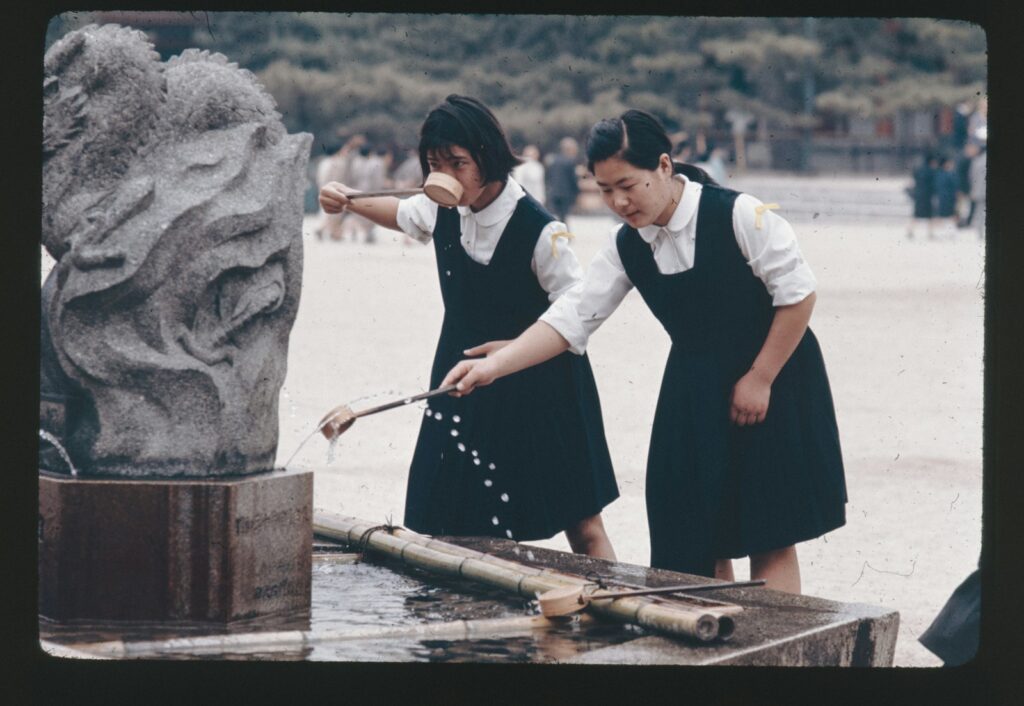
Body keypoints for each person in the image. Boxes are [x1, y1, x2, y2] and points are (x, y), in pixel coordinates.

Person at [442, 109, 847, 593]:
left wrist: (760, 377)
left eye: (627, 185)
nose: (617, 201)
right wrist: (493, 367)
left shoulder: (739, 214)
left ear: (663, 166)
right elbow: (573, 317)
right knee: (695, 534)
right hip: (693, 385)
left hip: (775, 374)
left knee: (769, 532)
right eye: (605, 188)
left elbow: (798, 295)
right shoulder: (625, 246)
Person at [318, 95, 619, 559]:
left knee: (580, 521)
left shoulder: (540, 230)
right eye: (435, 164)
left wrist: (514, 347)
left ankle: (610, 614)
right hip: (461, 378)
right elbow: (401, 214)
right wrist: (348, 202)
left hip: (542, 381)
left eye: (458, 163)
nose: (446, 176)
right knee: (444, 514)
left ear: (488, 156)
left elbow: (574, 312)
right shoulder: (440, 209)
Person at [546, 137, 581, 223]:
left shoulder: (554, 161)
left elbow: (548, 177)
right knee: (563, 217)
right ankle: (563, 234)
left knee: (557, 216)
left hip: (554, 193)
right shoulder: (570, 161)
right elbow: (573, 180)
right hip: (565, 194)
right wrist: (577, 192)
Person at [906, 151, 937, 240]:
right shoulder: (932, 171)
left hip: (919, 195)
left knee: (916, 214)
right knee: (930, 215)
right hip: (928, 196)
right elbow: (934, 184)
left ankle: (910, 230)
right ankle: (930, 233)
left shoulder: (918, 170)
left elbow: (913, 179)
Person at [934, 155, 960, 238]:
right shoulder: (949, 174)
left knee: (946, 215)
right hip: (948, 197)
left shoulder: (938, 174)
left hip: (942, 196)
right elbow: (955, 186)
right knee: (950, 215)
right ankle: (950, 232)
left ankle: (949, 231)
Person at [969, 144, 986, 240]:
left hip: (978, 190)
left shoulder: (976, 161)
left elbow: (971, 177)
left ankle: (979, 232)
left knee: (979, 211)